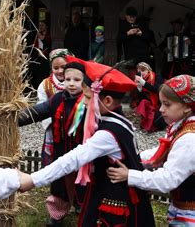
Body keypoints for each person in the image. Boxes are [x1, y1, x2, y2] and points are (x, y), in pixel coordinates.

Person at [19, 58, 155, 227]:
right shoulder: (118, 121)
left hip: (114, 196)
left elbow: (74, 158)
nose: (83, 102)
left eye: (88, 97)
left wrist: (33, 180)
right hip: (113, 190)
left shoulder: (107, 133)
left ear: (107, 102)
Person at [107, 74, 195, 226]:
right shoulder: (181, 124)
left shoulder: (189, 139)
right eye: (161, 103)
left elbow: (168, 179)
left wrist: (130, 175)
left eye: (167, 104)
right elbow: (164, 151)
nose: (161, 109)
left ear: (187, 106)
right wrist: (136, 158)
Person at [18, 62, 87, 225]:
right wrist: (15, 120)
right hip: (61, 150)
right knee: (60, 183)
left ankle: (81, 206)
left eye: (77, 80)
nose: (71, 83)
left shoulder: (89, 101)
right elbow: (38, 112)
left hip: (83, 152)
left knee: (84, 181)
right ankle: (57, 213)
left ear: (84, 81)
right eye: (68, 79)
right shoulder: (57, 99)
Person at [37, 48, 72, 164]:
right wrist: (52, 123)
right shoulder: (45, 85)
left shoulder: (75, 83)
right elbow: (41, 104)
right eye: (55, 68)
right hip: (53, 128)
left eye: (63, 67)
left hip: (72, 126)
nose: (60, 71)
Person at [134, 62, 165, 132]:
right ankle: (144, 124)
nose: (141, 73)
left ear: (148, 70)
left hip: (158, 102)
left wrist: (144, 83)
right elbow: (141, 97)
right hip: (148, 102)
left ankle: (150, 126)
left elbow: (157, 89)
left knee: (151, 110)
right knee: (143, 102)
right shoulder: (141, 80)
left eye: (143, 70)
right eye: (139, 71)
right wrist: (139, 88)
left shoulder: (157, 77)